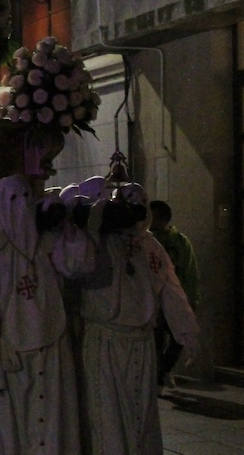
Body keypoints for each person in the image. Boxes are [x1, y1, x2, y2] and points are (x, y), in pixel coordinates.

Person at [0, 175, 94, 455]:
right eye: (13, 200)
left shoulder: (47, 243)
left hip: (52, 344)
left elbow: (78, 266)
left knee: (53, 423)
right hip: (14, 353)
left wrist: (66, 228)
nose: (21, 206)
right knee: (14, 431)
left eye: (25, 197)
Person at [79, 183, 199, 454]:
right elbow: (76, 266)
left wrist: (187, 331)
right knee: (107, 415)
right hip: (106, 341)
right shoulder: (98, 239)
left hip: (141, 342)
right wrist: (95, 223)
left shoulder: (151, 246)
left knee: (141, 416)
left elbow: (171, 288)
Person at [149, 200, 200, 385]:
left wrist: (191, 299)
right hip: (154, 300)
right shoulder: (146, 241)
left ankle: (163, 370)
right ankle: (159, 376)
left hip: (173, 298)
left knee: (177, 339)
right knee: (156, 340)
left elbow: (189, 270)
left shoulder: (179, 242)